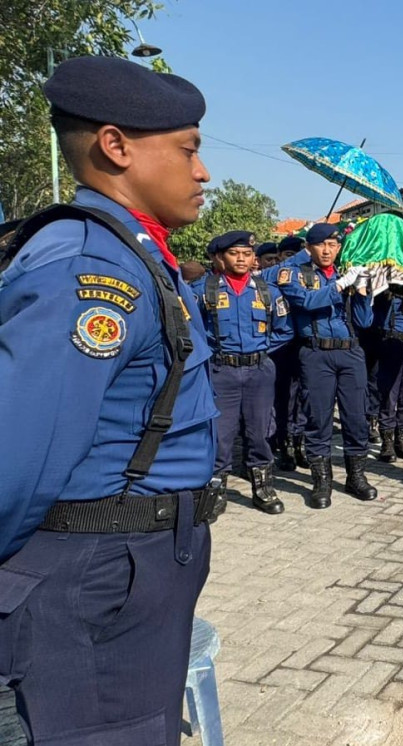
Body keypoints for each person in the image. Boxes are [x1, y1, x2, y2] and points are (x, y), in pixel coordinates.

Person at [0, 55, 223, 744]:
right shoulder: (90, 269)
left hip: (130, 566)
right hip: (97, 573)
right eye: (187, 150)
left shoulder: (132, 253)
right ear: (116, 146)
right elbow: (15, 458)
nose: (203, 172)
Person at [192, 230, 293, 514]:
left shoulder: (267, 292)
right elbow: (191, 331)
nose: (241, 259)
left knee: (260, 430)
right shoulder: (203, 291)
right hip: (221, 370)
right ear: (218, 257)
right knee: (220, 433)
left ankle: (262, 487)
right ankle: (216, 489)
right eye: (234, 254)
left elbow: (285, 330)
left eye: (247, 254)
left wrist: (259, 350)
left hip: (259, 371)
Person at [278, 223, 377, 507]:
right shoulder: (296, 274)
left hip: (351, 352)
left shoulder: (347, 272)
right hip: (316, 352)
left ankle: (356, 476)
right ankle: (321, 481)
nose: (327, 250)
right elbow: (307, 301)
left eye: (333, 245)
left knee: (356, 416)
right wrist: (341, 285)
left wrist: (361, 292)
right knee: (318, 417)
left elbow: (365, 322)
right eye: (321, 245)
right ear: (309, 247)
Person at [269, 235, 310, 472]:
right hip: (281, 348)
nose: (294, 261)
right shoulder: (275, 280)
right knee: (283, 398)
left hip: (304, 345)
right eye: (288, 255)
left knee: (305, 398)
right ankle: (283, 445)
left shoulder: (309, 277)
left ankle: (300, 443)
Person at [371, 283, 403, 463]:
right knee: (389, 395)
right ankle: (387, 441)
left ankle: (401, 438)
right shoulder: (386, 290)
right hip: (392, 340)